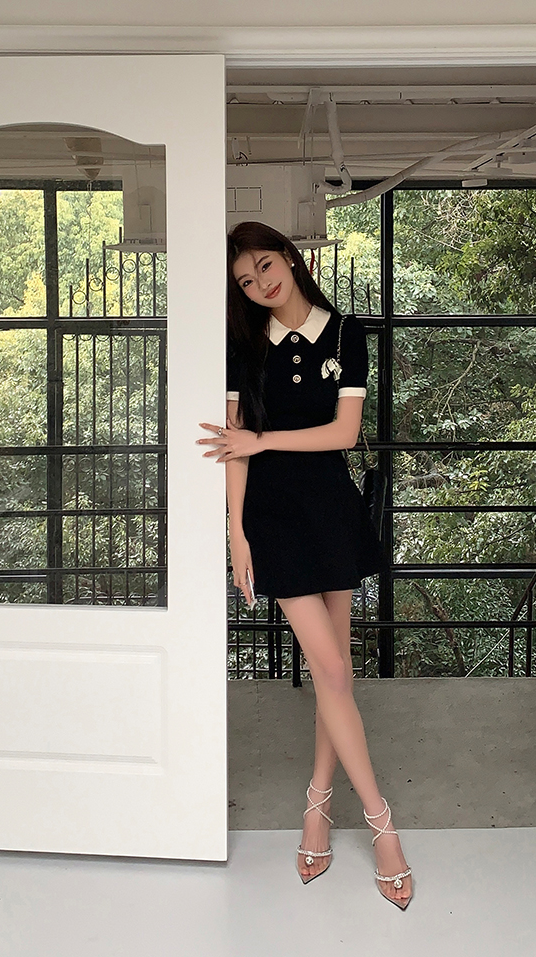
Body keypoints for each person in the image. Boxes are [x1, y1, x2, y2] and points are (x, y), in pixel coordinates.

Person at [196, 221, 413, 910]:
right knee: (334, 671)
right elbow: (231, 446)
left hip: (330, 512)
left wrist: (263, 440)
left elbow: (345, 433)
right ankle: (381, 826)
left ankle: (318, 804)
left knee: (333, 673)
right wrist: (236, 532)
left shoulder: (346, 334)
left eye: (265, 265)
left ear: (289, 257)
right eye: (245, 279)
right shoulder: (243, 345)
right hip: (274, 521)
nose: (259, 283)